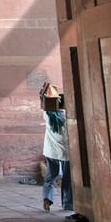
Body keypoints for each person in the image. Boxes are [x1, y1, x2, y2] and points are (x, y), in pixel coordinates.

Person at [40, 83, 73, 214]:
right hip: (66, 154)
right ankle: (68, 203)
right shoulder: (68, 119)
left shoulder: (49, 116)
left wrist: (46, 91)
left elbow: (44, 103)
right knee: (67, 179)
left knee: (50, 176)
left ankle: (47, 198)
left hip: (50, 151)